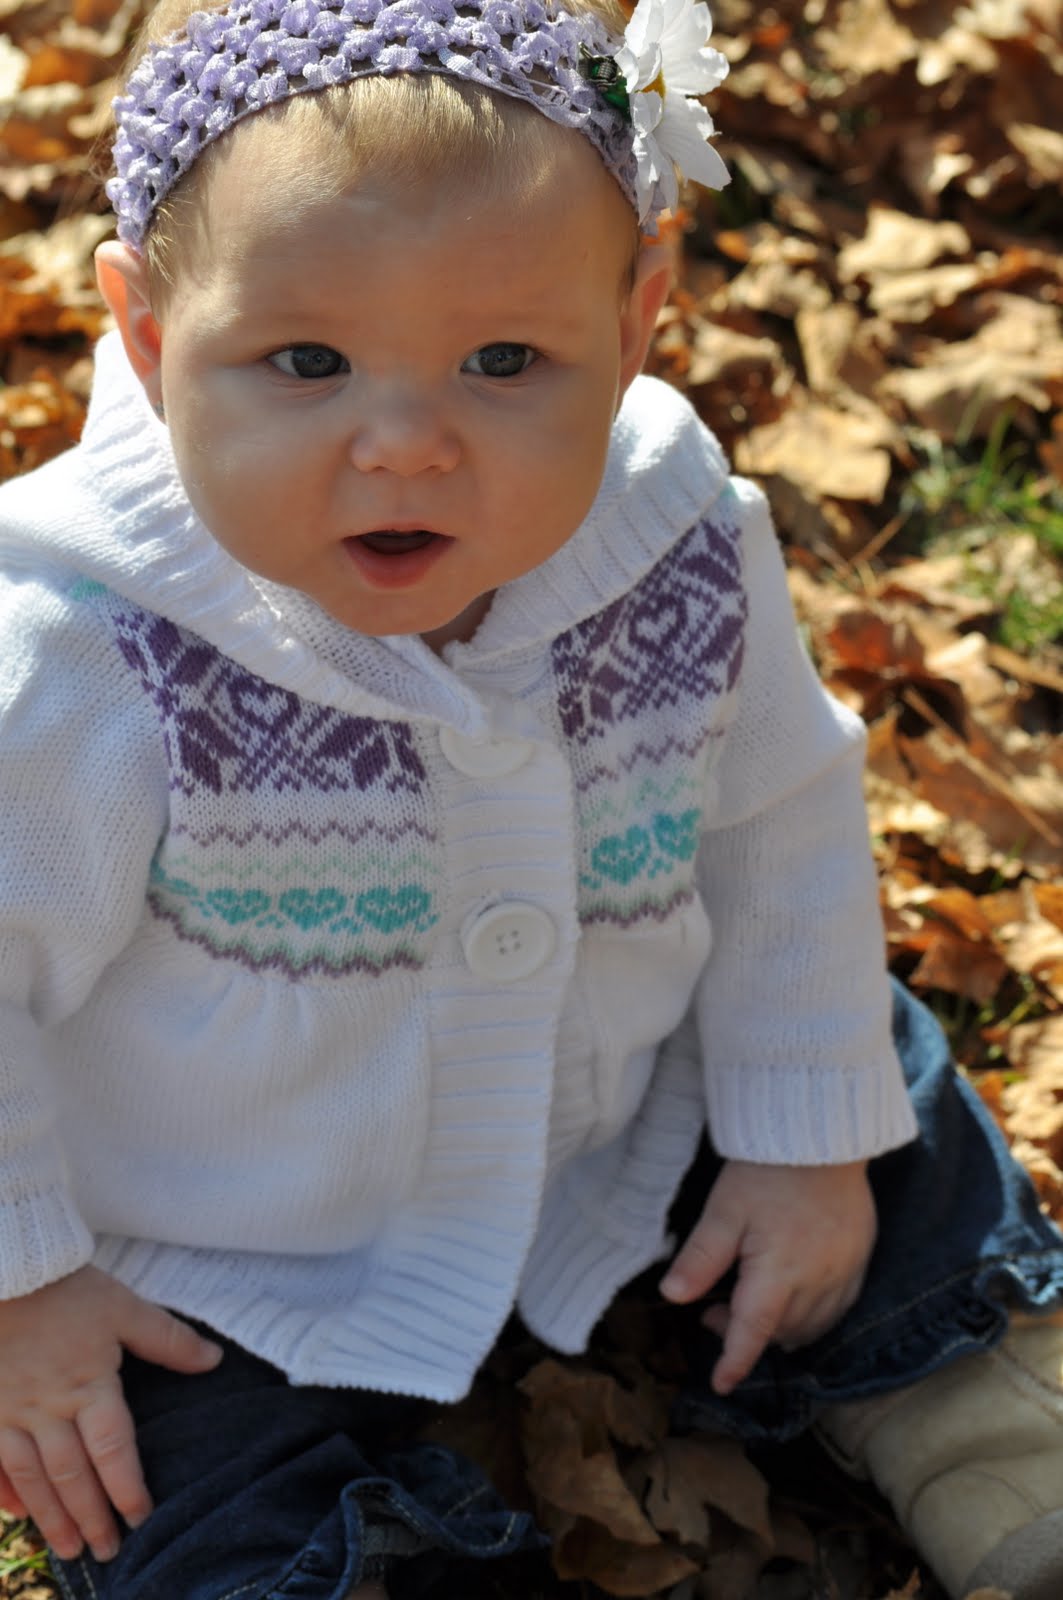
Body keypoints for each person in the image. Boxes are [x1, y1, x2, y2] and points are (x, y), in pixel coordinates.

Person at [0, 0, 1061, 1595]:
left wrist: (801, 1139)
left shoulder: (674, 532)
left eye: (504, 362)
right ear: (150, 336)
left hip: (610, 1129)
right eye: (305, 362)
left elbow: (774, 821)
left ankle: (970, 1394)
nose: (407, 445)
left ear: (633, 327)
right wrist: (24, 1286)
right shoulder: (87, 640)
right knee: (184, 1480)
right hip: (212, 1246)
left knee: (863, 1078)